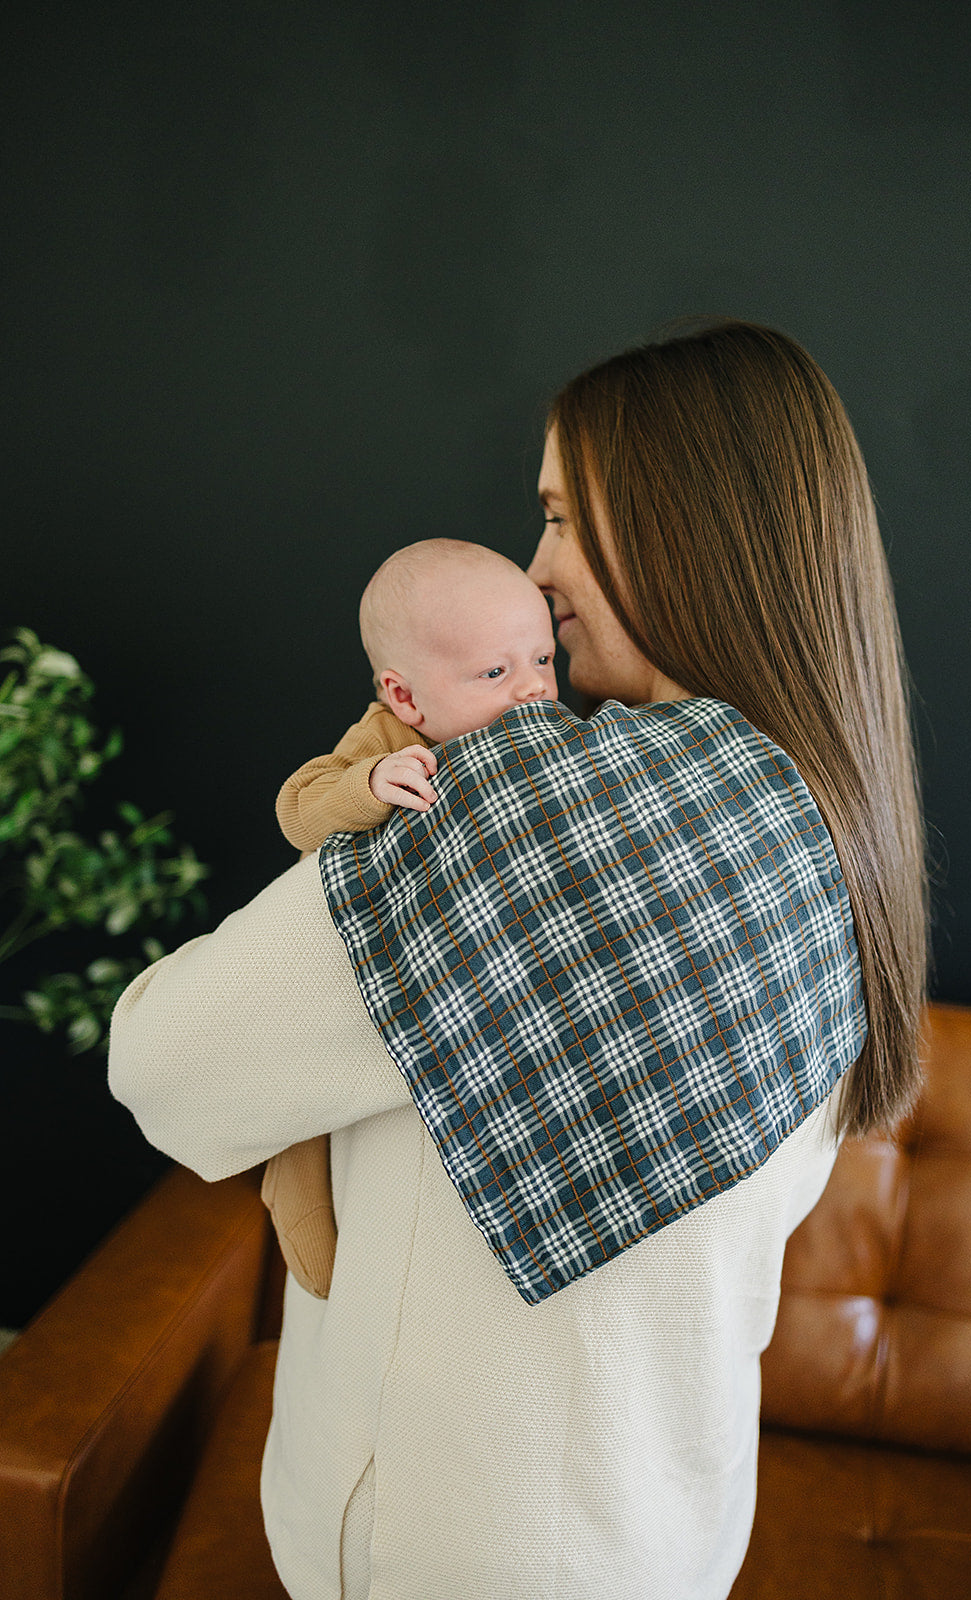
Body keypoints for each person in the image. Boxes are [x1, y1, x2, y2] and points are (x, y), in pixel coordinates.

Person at [109, 319, 927, 1600]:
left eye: (558, 519)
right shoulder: (836, 826)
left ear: (681, 529)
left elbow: (161, 1061)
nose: (534, 570)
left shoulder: (519, 817)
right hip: (666, 1535)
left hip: (453, 1546)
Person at [265, 539, 558, 1299]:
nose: (531, 688)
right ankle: (293, 1203)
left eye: (542, 659)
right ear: (404, 697)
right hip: (329, 959)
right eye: (495, 672)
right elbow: (298, 810)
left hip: (428, 979)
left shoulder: (536, 736)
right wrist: (369, 782)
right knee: (300, 1108)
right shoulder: (387, 740)